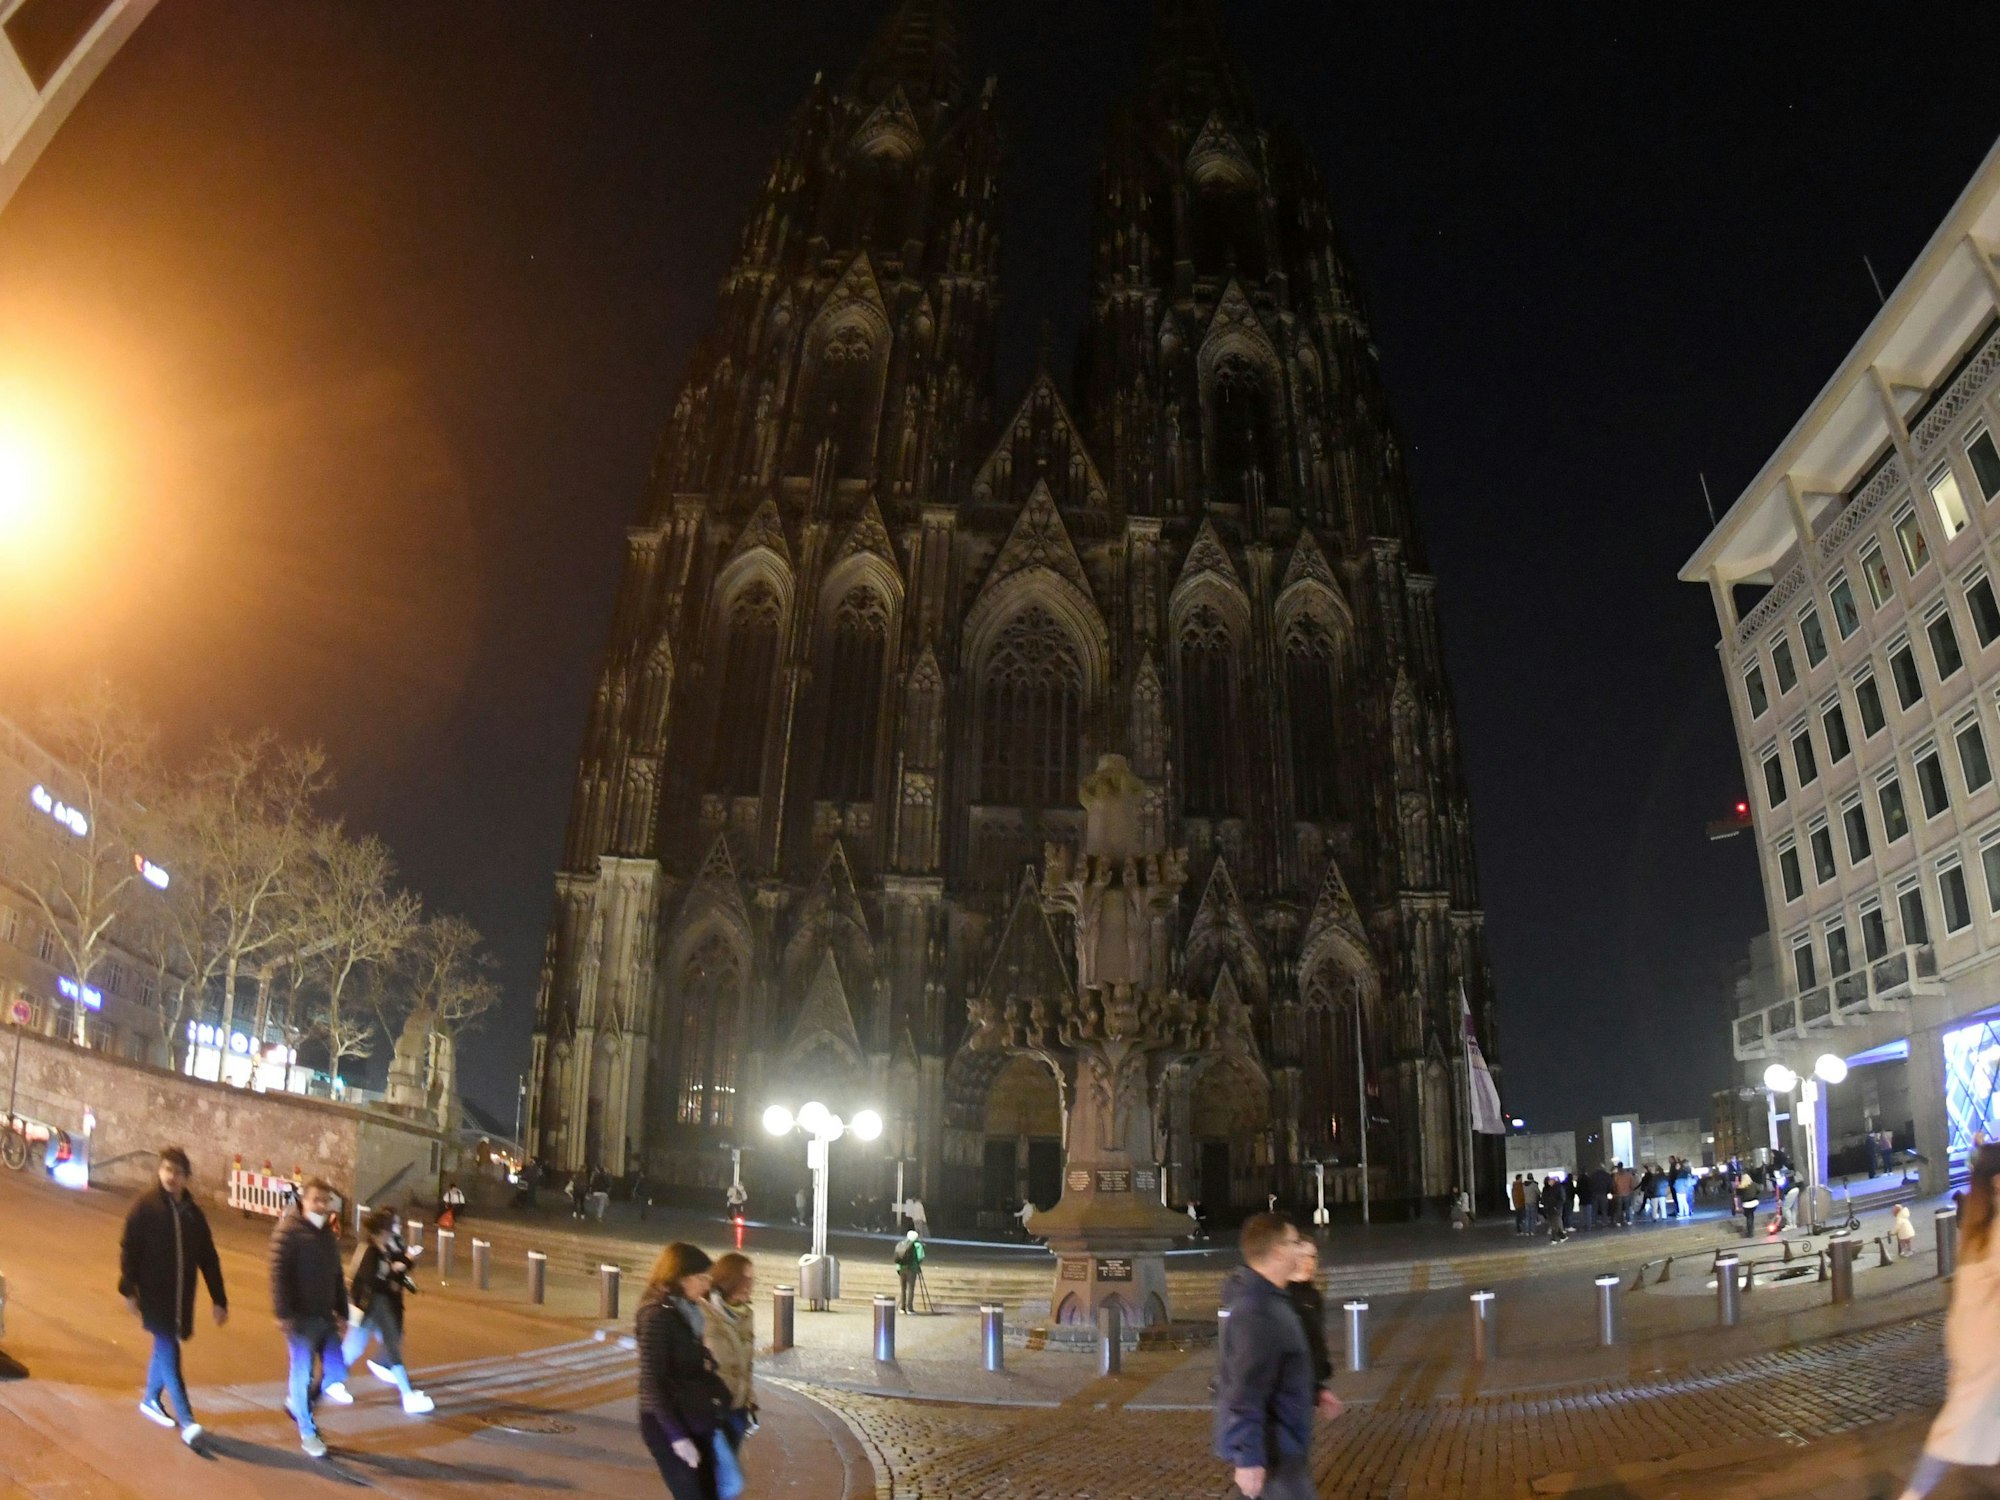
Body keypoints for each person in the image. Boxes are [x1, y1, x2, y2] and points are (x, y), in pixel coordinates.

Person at [1895, 1144, 2000, 1498]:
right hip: (1988, 1345)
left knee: (1959, 1424)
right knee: (1955, 1429)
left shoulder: (1977, 1224)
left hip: (1971, 1339)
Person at [1214, 1213, 1337, 1498]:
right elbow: (1244, 1388)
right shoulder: (1258, 1312)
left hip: (1284, 1448)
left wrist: (1315, 1389)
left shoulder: (1276, 1301)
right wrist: (1248, 1458)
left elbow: (1282, 1366)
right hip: (1274, 1454)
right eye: (1294, 1243)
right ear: (1279, 1252)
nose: (1301, 1250)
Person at [119, 1145, 228, 1450]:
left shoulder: (193, 1214)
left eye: (177, 1172)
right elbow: (130, 1248)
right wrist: (128, 1288)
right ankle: (188, 1420)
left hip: (181, 1297)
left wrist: (219, 1299)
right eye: (166, 1169)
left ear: (186, 1177)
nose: (171, 1176)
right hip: (153, 1294)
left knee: (164, 1347)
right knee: (169, 1350)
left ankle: (150, 1399)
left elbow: (208, 1257)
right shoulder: (145, 1206)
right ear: (159, 1170)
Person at [636, 1241, 733, 1500]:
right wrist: (677, 1437)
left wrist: (721, 1393)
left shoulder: (687, 1311)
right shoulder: (656, 1316)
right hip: (666, 1422)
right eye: (701, 1278)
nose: (706, 1285)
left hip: (693, 1413)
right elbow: (652, 1381)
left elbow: (693, 1366)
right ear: (680, 1277)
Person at [270, 1177, 353, 1458]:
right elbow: (278, 1274)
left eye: (325, 1200)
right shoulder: (288, 1231)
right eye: (316, 1199)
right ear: (304, 1200)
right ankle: (307, 1430)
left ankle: (301, 1403)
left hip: (325, 1316)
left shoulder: (327, 1234)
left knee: (337, 1370)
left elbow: (337, 1275)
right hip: (300, 1318)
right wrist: (283, 1313)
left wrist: (343, 1311)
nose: (321, 1205)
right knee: (301, 1371)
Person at [342, 1207, 433, 1414]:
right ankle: (330, 1381)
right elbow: (369, 1280)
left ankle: (407, 1394)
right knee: (352, 1350)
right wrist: (396, 1273)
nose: (397, 1228)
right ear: (383, 1230)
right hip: (366, 1308)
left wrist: (403, 1267)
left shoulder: (387, 1246)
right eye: (394, 1224)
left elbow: (392, 1271)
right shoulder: (369, 1250)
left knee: (392, 1344)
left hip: (380, 1306)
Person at [700, 1252, 758, 1470]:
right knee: (719, 1477)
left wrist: (749, 1398)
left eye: (752, 1280)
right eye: (744, 1280)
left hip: (739, 1410)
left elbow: (746, 1364)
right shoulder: (704, 1313)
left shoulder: (746, 1314)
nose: (748, 1286)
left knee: (726, 1474)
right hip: (712, 1411)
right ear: (727, 1279)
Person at [1287, 1239, 1340, 1422]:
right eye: (1302, 1256)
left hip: (1305, 1384)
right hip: (1290, 1387)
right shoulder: (1283, 1296)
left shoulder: (1312, 1295)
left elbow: (1315, 1339)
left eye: (1313, 1256)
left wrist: (1318, 1389)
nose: (1308, 1262)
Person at [895, 1228, 925, 1313]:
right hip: (911, 1269)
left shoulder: (901, 1243)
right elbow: (920, 1257)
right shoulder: (918, 1245)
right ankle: (909, 1308)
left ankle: (902, 1308)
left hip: (901, 1269)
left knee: (903, 1288)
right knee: (910, 1288)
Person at [1734, 1169, 1761, 1239]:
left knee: (1749, 1216)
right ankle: (1751, 1230)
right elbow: (1760, 1190)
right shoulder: (1753, 1184)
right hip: (1754, 1202)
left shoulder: (1741, 1187)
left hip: (1746, 1204)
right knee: (1751, 1215)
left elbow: (1737, 1195)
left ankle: (1750, 1233)